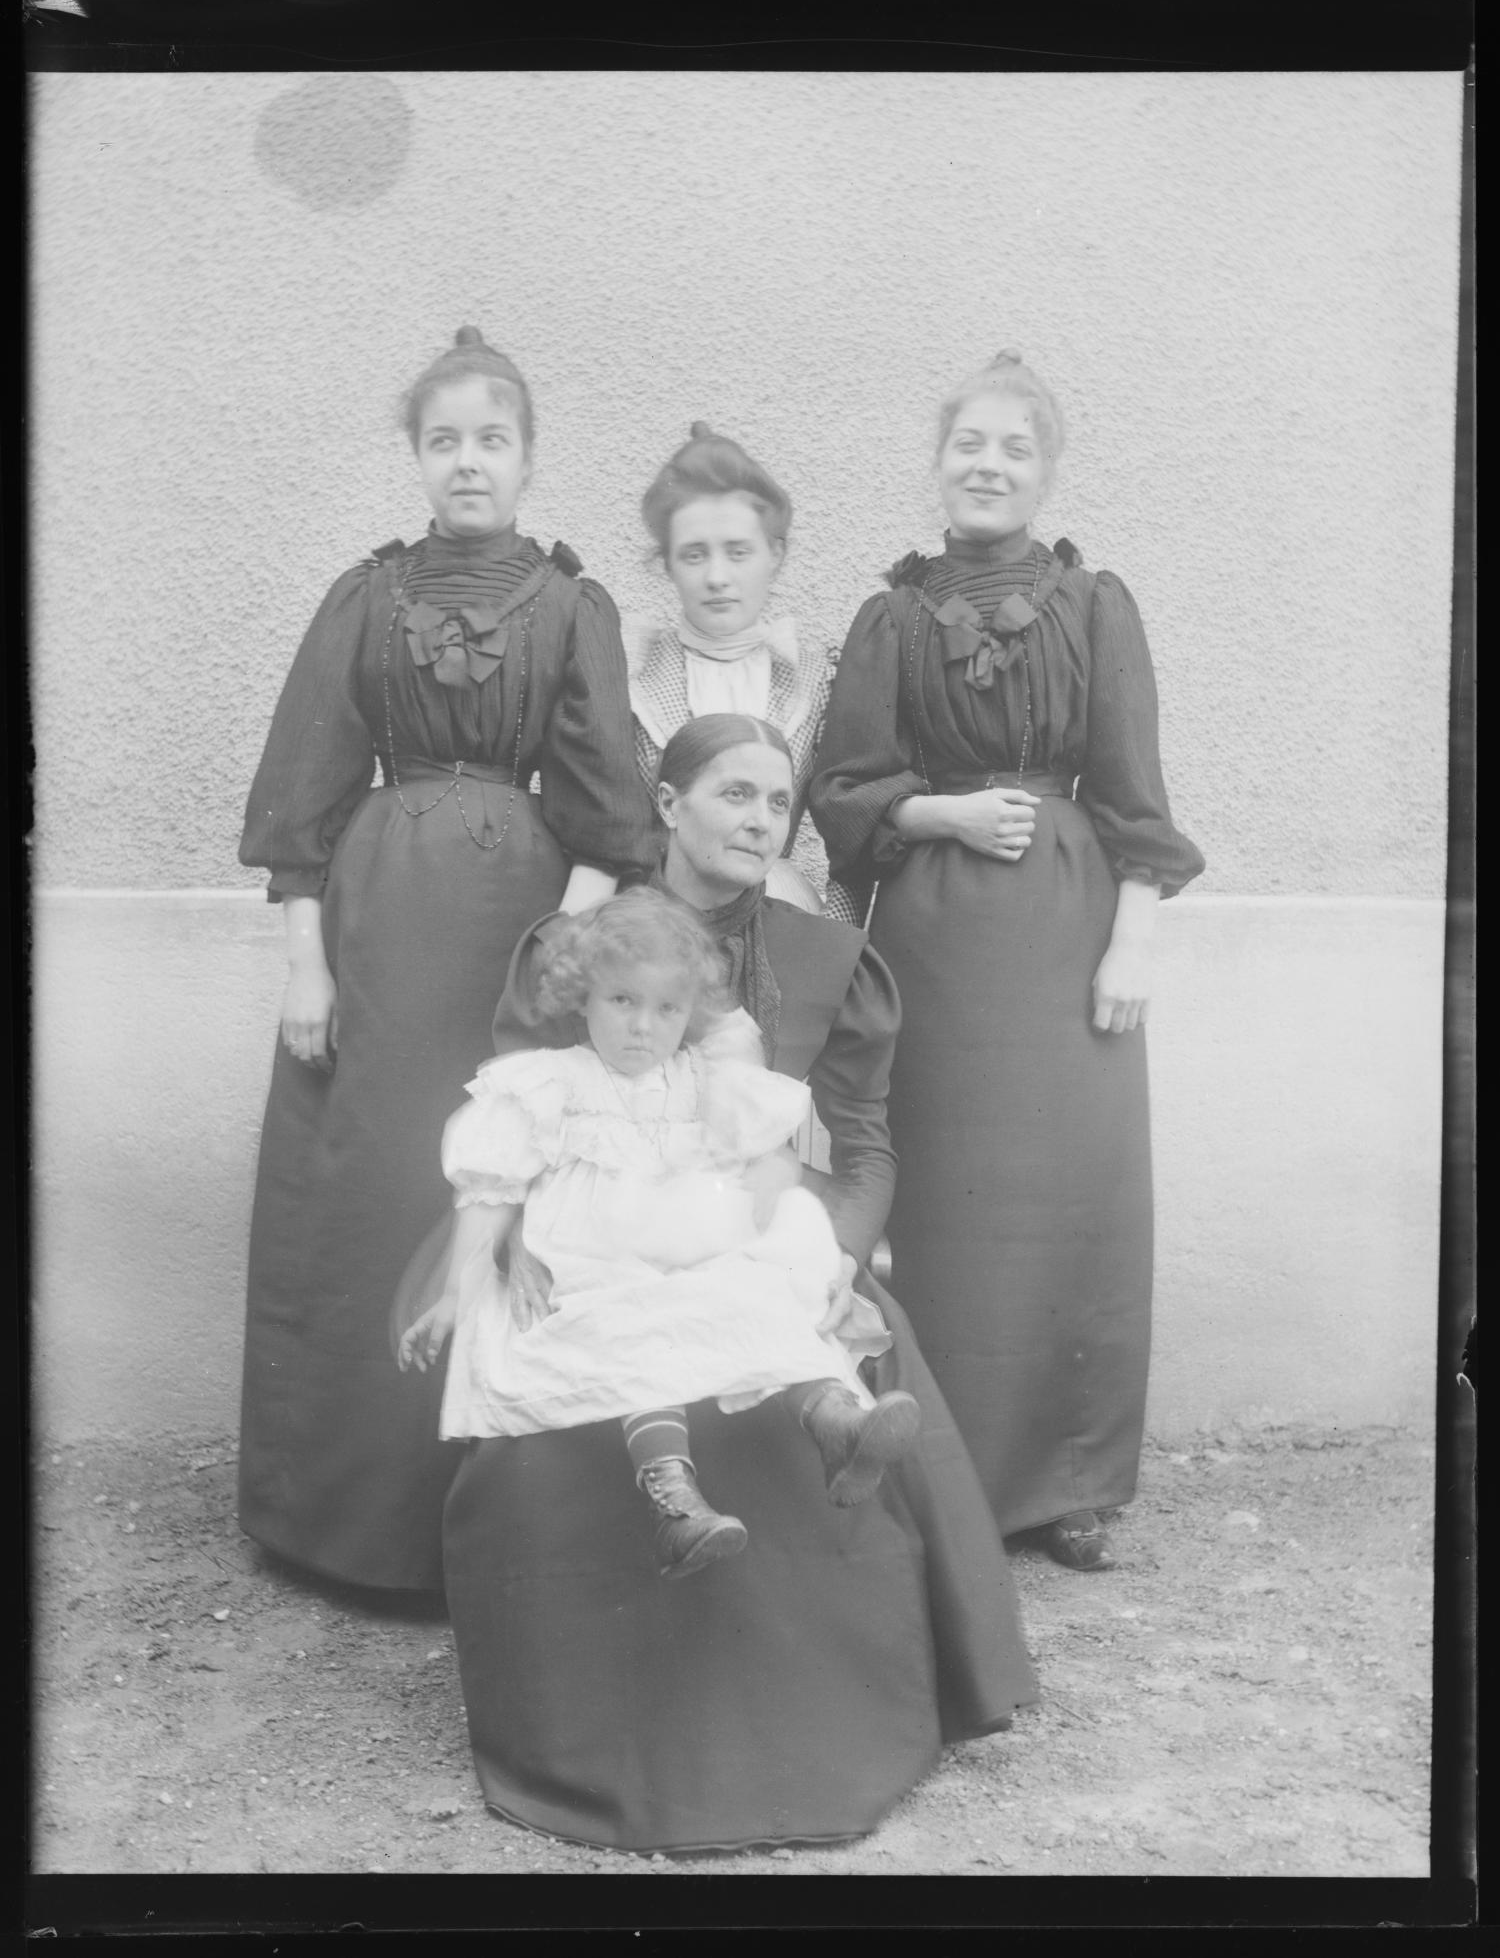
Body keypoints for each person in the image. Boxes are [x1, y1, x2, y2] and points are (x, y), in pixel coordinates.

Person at [437, 713, 1037, 1854]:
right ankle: (605, 1719)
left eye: (778, 804)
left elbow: (860, 1144)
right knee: (563, 1359)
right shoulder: (573, 951)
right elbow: (516, 1128)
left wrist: (836, 1255)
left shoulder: (827, 959)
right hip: (592, 1251)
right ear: (668, 806)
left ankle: (833, 1704)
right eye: (734, 795)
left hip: (757, 1243)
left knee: (819, 1333)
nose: (761, 820)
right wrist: (510, 1258)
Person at [237, 327, 657, 1592]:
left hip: (517, 928)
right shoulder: (364, 597)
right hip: (376, 922)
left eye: (492, 440)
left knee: (502, 1178)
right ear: (416, 458)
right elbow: (302, 799)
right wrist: (306, 967)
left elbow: (604, 800)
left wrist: (564, 946)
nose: (468, 462)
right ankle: (346, 1521)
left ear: (527, 458)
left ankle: (494, 1523)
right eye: (445, 441)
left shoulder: (574, 605)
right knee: (371, 1185)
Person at [810, 350, 1205, 1574]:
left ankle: (1073, 1484)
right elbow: (842, 787)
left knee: (1071, 1201)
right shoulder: (890, 617)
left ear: (1047, 472)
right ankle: (947, 1469)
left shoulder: (1096, 608)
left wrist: (1131, 939)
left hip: (1068, 931)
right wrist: (944, 815)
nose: (988, 465)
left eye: (1014, 448)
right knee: (946, 1203)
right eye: (968, 445)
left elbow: (1136, 795)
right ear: (937, 463)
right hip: (933, 935)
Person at [396, 890, 920, 1580]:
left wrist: (765, 1183)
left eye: (667, 1009)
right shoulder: (550, 1083)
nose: (643, 1027)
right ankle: (676, 1506)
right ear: (583, 997)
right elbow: (490, 1193)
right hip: (590, 1261)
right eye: (622, 1002)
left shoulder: (705, 1081)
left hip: (688, 1243)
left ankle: (838, 1424)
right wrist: (455, 1291)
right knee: (632, 1328)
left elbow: (764, 1155)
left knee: (758, 1293)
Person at [622, 422, 860, 919]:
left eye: (737, 552)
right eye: (693, 554)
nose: (716, 578)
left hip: (779, 913)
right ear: (667, 564)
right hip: (658, 917)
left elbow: (848, 837)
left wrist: (837, 947)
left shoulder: (813, 679)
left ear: (775, 554)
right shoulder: (633, 676)